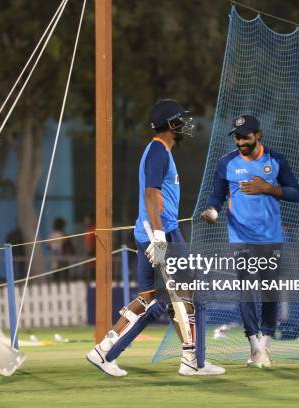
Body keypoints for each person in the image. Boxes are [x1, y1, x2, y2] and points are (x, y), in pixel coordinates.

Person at [86, 99, 225, 376]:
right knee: (185, 292)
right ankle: (191, 361)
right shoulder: (159, 152)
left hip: (152, 230)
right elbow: (151, 194)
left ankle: (102, 351)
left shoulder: (158, 152)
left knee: (151, 298)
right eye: (181, 120)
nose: (185, 125)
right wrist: (160, 235)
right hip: (161, 231)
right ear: (171, 124)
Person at [201, 114, 299, 368]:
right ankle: (254, 346)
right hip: (241, 238)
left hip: (271, 239)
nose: (240, 142)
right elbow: (216, 196)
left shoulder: (276, 160)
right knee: (246, 291)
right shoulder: (227, 163)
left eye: (245, 136)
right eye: (236, 137)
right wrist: (212, 212)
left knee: (269, 292)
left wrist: (268, 188)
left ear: (259, 135)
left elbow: (294, 193)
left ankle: (266, 343)